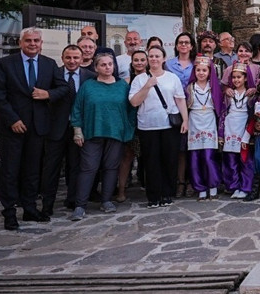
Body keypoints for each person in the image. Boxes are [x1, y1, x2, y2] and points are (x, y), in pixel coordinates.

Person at [0, 27, 69, 230]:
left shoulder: (49, 65)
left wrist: (48, 94)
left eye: (36, 40)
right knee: (10, 171)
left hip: (38, 127)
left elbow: (63, 88)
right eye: (28, 41)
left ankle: (30, 209)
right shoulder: (6, 64)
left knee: (32, 171)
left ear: (41, 43)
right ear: (20, 43)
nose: (32, 44)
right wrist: (12, 120)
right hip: (12, 128)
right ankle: (9, 213)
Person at [69, 53, 136, 220]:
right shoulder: (88, 86)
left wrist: (128, 131)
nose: (107, 67)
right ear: (96, 67)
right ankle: (80, 205)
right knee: (88, 168)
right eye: (103, 64)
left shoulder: (122, 86)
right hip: (92, 132)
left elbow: (131, 111)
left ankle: (106, 200)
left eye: (110, 64)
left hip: (116, 133)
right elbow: (77, 108)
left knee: (111, 167)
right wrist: (77, 130)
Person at [129, 45, 188, 209]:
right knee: (151, 162)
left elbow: (180, 100)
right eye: (151, 56)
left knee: (169, 160)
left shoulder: (172, 78)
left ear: (163, 59)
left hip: (169, 126)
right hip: (147, 127)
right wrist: (147, 85)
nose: (154, 59)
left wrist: (185, 120)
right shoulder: (140, 79)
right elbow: (134, 102)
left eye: (157, 56)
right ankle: (153, 196)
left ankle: (167, 193)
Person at [41, 45, 95, 216]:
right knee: (51, 168)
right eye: (68, 58)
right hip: (56, 129)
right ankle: (47, 204)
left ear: (81, 59)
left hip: (79, 129)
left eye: (76, 58)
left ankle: (72, 200)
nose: (72, 61)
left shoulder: (90, 77)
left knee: (76, 166)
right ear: (62, 58)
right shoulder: (52, 74)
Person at [185, 56, 224, 200]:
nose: (201, 73)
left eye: (204, 70)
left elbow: (220, 106)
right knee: (195, 157)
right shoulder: (189, 88)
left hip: (209, 120)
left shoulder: (214, 87)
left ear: (209, 72)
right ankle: (200, 187)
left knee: (209, 156)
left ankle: (213, 185)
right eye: (198, 70)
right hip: (194, 121)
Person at [165, 32, 195, 197]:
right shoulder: (168, 65)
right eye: (180, 42)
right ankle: (180, 181)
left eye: (187, 42)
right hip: (175, 110)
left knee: (194, 147)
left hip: (196, 110)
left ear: (191, 46)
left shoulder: (197, 64)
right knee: (180, 149)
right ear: (176, 46)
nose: (184, 45)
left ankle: (192, 181)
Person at [116, 50, 148, 202]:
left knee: (149, 156)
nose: (139, 62)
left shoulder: (152, 79)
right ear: (132, 62)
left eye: (142, 59)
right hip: (131, 123)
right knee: (127, 156)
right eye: (136, 60)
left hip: (148, 122)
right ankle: (121, 190)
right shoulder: (126, 82)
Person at [220, 62, 254, 200]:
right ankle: (233, 186)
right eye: (233, 77)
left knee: (245, 160)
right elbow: (223, 112)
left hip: (243, 128)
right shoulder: (228, 94)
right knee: (231, 160)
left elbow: (253, 114)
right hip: (230, 128)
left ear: (245, 78)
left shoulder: (251, 94)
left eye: (239, 77)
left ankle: (245, 186)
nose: (236, 80)